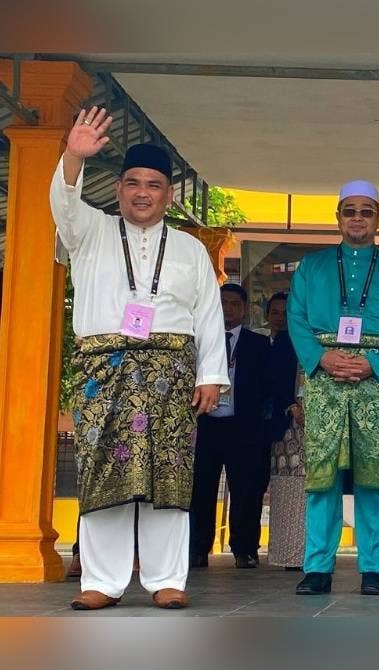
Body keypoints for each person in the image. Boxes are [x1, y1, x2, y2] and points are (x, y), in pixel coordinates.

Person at [51, 107, 227, 610]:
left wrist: (211, 374)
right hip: (102, 372)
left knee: (168, 475)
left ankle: (166, 579)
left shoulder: (190, 248)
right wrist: (73, 156)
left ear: (168, 195)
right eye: (132, 183)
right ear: (118, 189)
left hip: (171, 373)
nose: (142, 193)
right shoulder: (90, 230)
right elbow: (64, 204)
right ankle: (101, 582)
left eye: (153, 184)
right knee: (101, 471)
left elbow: (208, 313)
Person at [287, 180, 379, 596]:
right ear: (338, 218)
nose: (357, 219)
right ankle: (317, 567)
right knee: (322, 476)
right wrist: (320, 358)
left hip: (375, 382)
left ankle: (374, 568)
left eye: (366, 211)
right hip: (324, 379)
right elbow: (296, 319)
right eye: (350, 211)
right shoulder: (311, 267)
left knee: (374, 476)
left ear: (378, 218)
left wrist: (374, 364)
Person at [189, 284, 272, 569]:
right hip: (206, 425)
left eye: (235, 304)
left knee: (246, 490)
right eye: (223, 303)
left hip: (243, 427)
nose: (228, 309)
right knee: (201, 488)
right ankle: (198, 548)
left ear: (245, 308)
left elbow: (267, 386)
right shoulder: (200, 341)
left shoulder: (258, 344)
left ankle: (245, 549)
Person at [265, 292, 308, 569]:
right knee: (289, 487)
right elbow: (276, 380)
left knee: (316, 489)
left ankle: (313, 555)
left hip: (320, 423)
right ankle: (289, 554)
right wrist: (291, 406)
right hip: (290, 425)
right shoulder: (284, 341)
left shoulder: (319, 338)